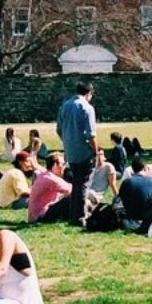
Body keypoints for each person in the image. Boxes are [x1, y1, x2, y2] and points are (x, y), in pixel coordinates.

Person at [55, 82, 99, 222]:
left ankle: (73, 213)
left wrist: (67, 142)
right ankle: (80, 216)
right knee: (84, 184)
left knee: (76, 183)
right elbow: (91, 135)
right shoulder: (87, 107)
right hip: (84, 152)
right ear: (88, 93)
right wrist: (96, 152)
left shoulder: (65, 106)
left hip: (71, 151)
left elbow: (59, 130)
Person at [27, 153, 80, 224]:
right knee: (71, 199)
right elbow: (71, 190)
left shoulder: (46, 175)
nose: (64, 168)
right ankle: (77, 219)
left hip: (36, 215)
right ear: (55, 165)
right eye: (63, 164)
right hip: (40, 216)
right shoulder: (51, 179)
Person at [115, 158, 152, 234]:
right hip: (146, 216)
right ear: (145, 168)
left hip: (129, 214)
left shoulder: (126, 182)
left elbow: (120, 198)